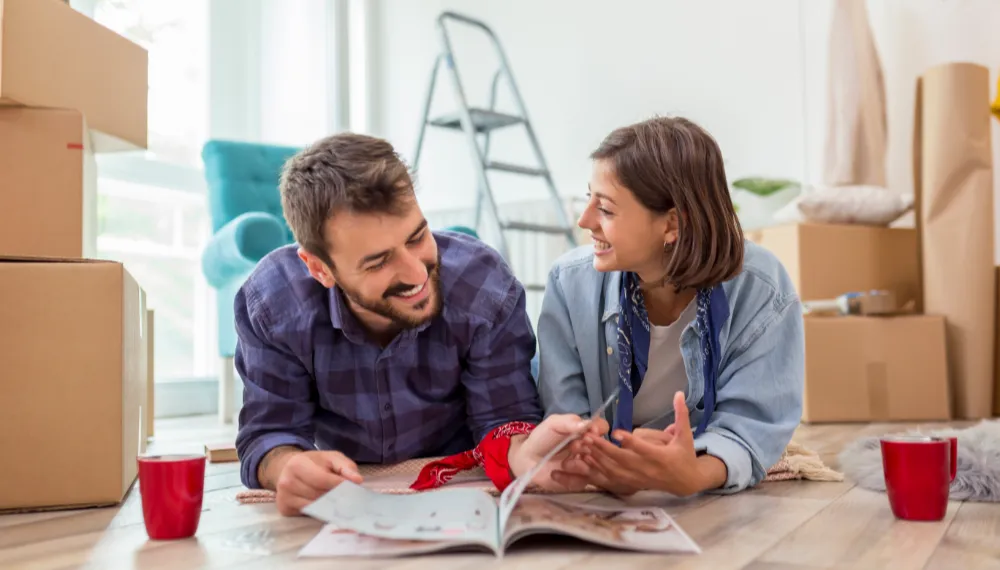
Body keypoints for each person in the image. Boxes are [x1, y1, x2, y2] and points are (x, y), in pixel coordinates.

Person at [233, 132, 591, 516]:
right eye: (378, 262)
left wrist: (528, 455)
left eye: (417, 236)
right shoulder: (274, 303)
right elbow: (268, 434)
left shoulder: (483, 286)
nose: (416, 272)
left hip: (460, 486)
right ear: (320, 269)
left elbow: (503, 423)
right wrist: (287, 466)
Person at [537, 116, 805, 497]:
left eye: (607, 210)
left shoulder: (761, 287)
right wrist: (596, 459)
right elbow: (565, 418)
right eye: (588, 200)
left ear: (672, 224)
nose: (585, 221)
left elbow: (754, 425)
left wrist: (694, 474)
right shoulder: (568, 283)